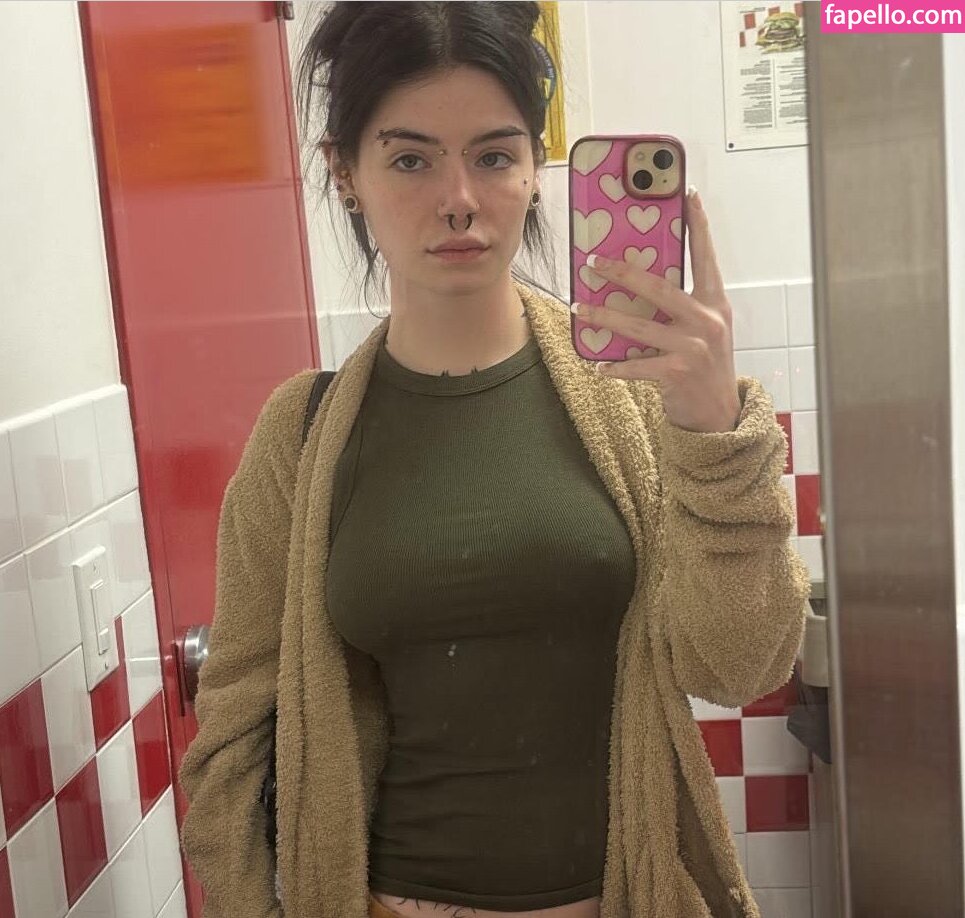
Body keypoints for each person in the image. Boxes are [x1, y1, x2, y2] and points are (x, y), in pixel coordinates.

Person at [178, 4, 810, 917]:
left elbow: (740, 665)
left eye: (493, 155)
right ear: (344, 174)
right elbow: (234, 726)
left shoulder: (637, 398)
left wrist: (716, 439)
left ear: (534, 171)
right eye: (409, 159)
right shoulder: (302, 434)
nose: (459, 199)